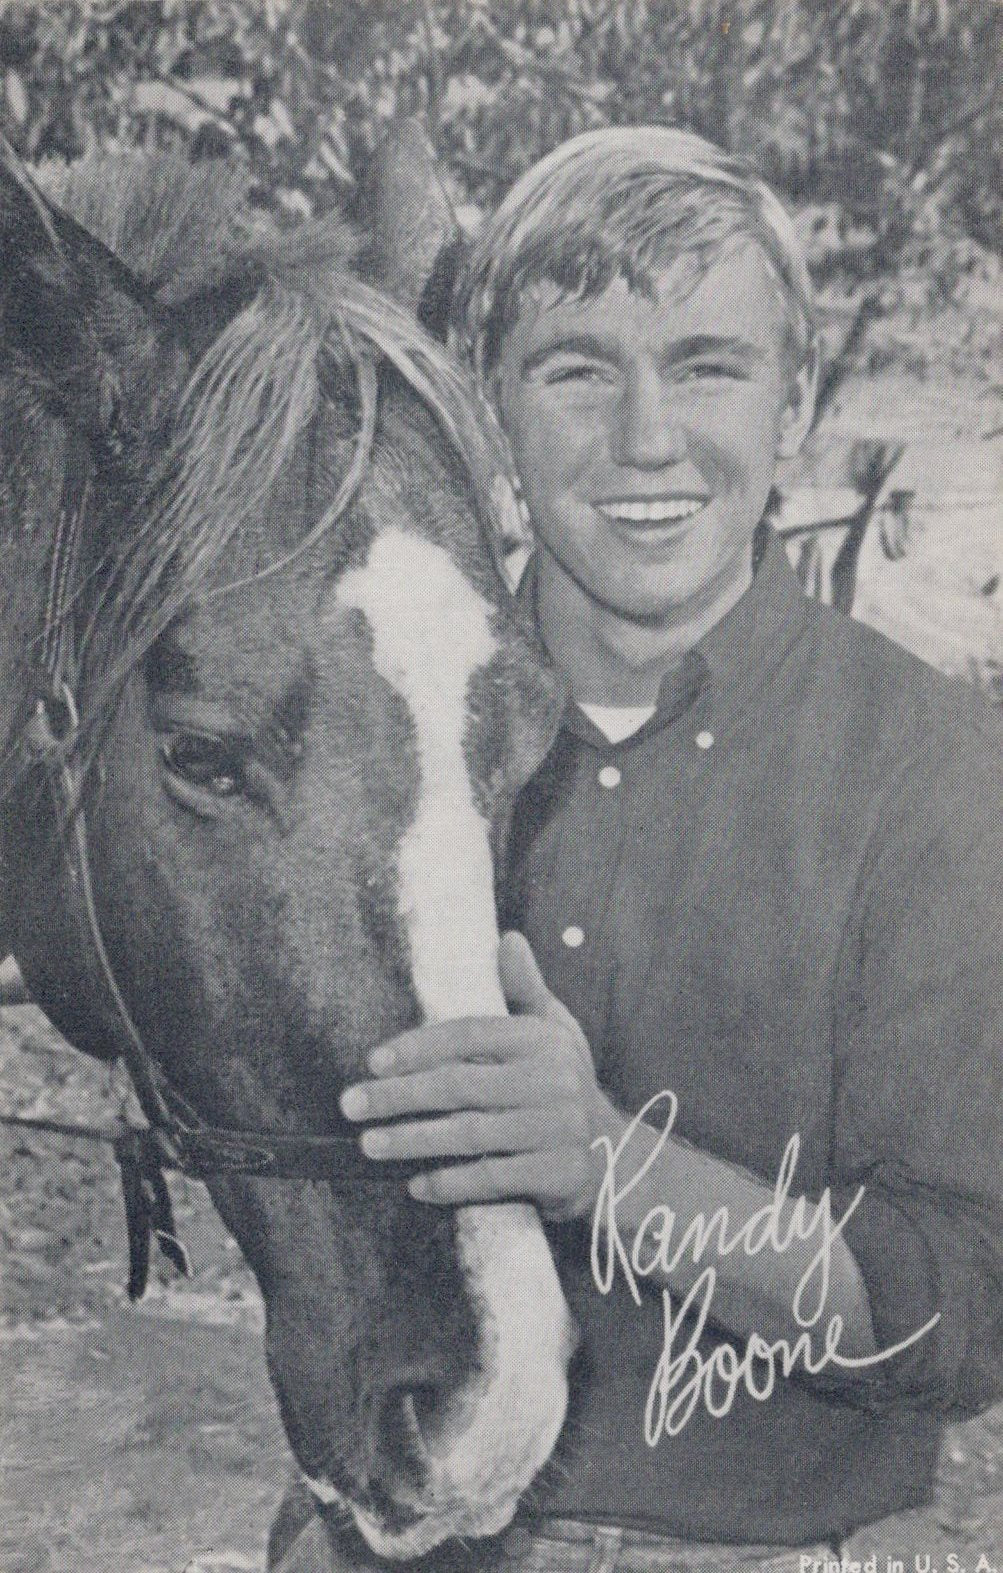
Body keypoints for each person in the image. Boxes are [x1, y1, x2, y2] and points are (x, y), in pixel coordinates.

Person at [312, 128, 1001, 1569]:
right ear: (490, 405)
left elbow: (963, 1307)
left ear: (797, 399)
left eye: (707, 365)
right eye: (575, 368)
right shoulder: (370, 730)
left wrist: (606, 1165)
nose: (644, 438)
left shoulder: (933, 768)